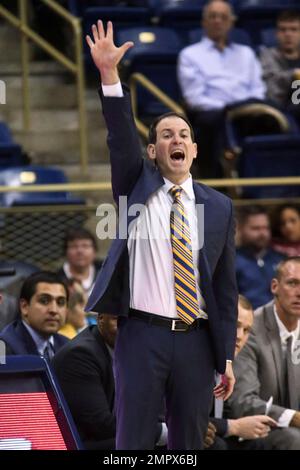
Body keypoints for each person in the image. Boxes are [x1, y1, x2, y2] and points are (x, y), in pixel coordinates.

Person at [85, 20, 238, 450]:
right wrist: (110, 76)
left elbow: (226, 289)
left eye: (184, 135)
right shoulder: (136, 185)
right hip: (143, 335)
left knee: (189, 442)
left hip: (197, 339)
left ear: (194, 149)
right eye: (166, 135)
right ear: (153, 151)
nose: (177, 140)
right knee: (132, 441)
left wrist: (225, 355)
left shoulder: (220, 206)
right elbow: (119, 137)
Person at [177, 0, 265, 177]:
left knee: (272, 119)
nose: (218, 21)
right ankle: (217, 182)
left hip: (248, 111)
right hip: (212, 113)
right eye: (213, 16)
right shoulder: (190, 54)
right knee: (211, 123)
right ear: (204, 22)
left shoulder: (246, 53)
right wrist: (227, 109)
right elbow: (195, 98)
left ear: (231, 22)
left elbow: (258, 90)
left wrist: (243, 108)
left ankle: (264, 180)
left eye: (223, 17)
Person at [227, 257, 300, 450]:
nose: (299, 293)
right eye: (293, 283)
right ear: (274, 286)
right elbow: (243, 401)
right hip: (253, 431)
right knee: (294, 439)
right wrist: (292, 417)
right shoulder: (250, 330)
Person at [208, 295, 277, 450]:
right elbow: (190, 419)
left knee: (258, 443)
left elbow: (222, 413)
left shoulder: (231, 366)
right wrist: (236, 426)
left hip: (216, 433)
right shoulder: (197, 364)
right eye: (235, 325)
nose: (239, 336)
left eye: (246, 330)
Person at [53, 313, 117, 449]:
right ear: (101, 318)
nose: (127, 328)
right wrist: (157, 431)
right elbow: (102, 425)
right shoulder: (80, 355)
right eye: (117, 319)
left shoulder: (134, 350)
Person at [0, 272, 68, 358]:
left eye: (60, 302)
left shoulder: (68, 346)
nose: (54, 310)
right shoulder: (3, 348)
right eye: (44, 301)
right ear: (24, 307)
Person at [236, 205, 285, 309]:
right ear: (240, 229)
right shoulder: (230, 261)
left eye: (266, 228)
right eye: (256, 228)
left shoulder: (281, 259)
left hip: (280, 318)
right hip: (247, 320)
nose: (263, 233)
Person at [260, 10, 300, 119]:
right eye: (283, 30)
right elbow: (272, 90)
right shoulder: (267, 56)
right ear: (276, 34)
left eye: (294, 30)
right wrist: (293, 75)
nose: (288, 34)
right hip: (281, 110)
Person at [57, 227, 102, 297]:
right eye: (74, 246)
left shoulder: (105, 274)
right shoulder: (57, 279)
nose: (80, 251)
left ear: (94, 251)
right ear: (65, 252)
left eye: (85, 246)